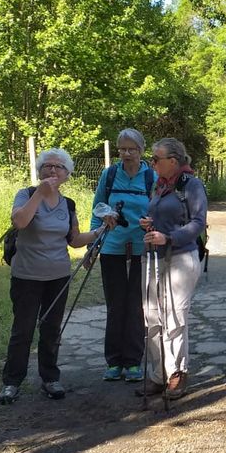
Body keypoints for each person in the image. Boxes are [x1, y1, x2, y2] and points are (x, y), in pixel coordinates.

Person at [0, 148, 97, 405]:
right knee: (23, 330)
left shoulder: (69, 204)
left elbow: (74, 240)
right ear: (39, 170)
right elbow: (19, 221)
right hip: (26, 276)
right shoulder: (27, 194)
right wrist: (40, 194)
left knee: (52, 329)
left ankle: (50, 378)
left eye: (59, 167)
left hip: (58, 276)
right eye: (47, 166)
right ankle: (11, 382)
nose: (52, 170)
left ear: (67, 174)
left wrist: (98, 233)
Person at [138, 138, 207, 400]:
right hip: (154, 257)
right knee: (152, 317)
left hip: (181, 258)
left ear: (173, 161)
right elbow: (163, 217)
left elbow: (198, 223)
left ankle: (177, 373)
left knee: (174, 318)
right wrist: (149, 223)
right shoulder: (160, 184)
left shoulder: (191, 185)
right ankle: (159, 374)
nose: (152, 163)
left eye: (156, 159)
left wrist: (169, 238)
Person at [91, 129, 154, 382]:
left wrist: (152, 222)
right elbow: (97, 206)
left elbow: (159, 209)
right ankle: (114, 361)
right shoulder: (110, 175)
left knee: (137, 305)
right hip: (112, 247)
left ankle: (133, 362)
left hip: (142, 247)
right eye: (122, 149)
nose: (127, 154)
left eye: (132, 149)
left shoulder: (151, 176)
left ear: (141, 150)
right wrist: (94, 239)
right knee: (115, 304)